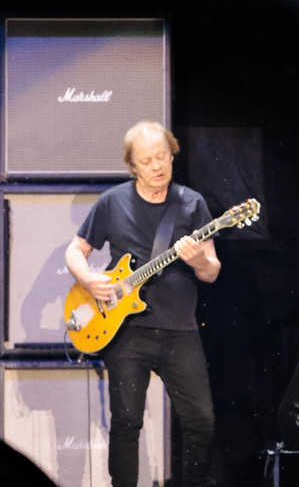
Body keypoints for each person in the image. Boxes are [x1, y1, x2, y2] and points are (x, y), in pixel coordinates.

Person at [65, 121, 220, 487]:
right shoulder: (112, 202)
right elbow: (75, 251)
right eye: (147, 161)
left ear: (172, 154)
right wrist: (88, 280)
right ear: (133, 166)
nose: (157, 166)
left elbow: (212, 271)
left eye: (162, 156)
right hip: (126, 331)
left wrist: (198, 258)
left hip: (180, 330)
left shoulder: (191, 203)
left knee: (201, 421)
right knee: (126, 423)